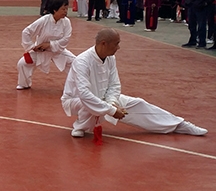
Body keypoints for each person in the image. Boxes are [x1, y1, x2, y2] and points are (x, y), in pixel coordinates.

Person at [61, 29, 206, 138]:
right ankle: (80, 126)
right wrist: (111, 110)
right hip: (75, 101)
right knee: (89, 103)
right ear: (103, 44)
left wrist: (112, 103)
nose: (118, 48)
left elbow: (114, 85)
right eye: (116, 44)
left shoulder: (110, 58)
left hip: (104, 98)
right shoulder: (82, 61)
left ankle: (178, 124)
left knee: (138, 103)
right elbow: (84, 94)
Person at [16, 0, 75, 90]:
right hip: (41, 51)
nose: (65, 11)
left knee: (76, 63)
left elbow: (65, 39)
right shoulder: (44, 20)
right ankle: (24, 84)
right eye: (63, 9)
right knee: (22, 63)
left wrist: (49, 45)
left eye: (66, 9)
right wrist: (31, 47)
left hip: (58, 51)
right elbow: (26, 32)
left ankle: (75, 86)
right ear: (55, 10)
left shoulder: (66, 22)